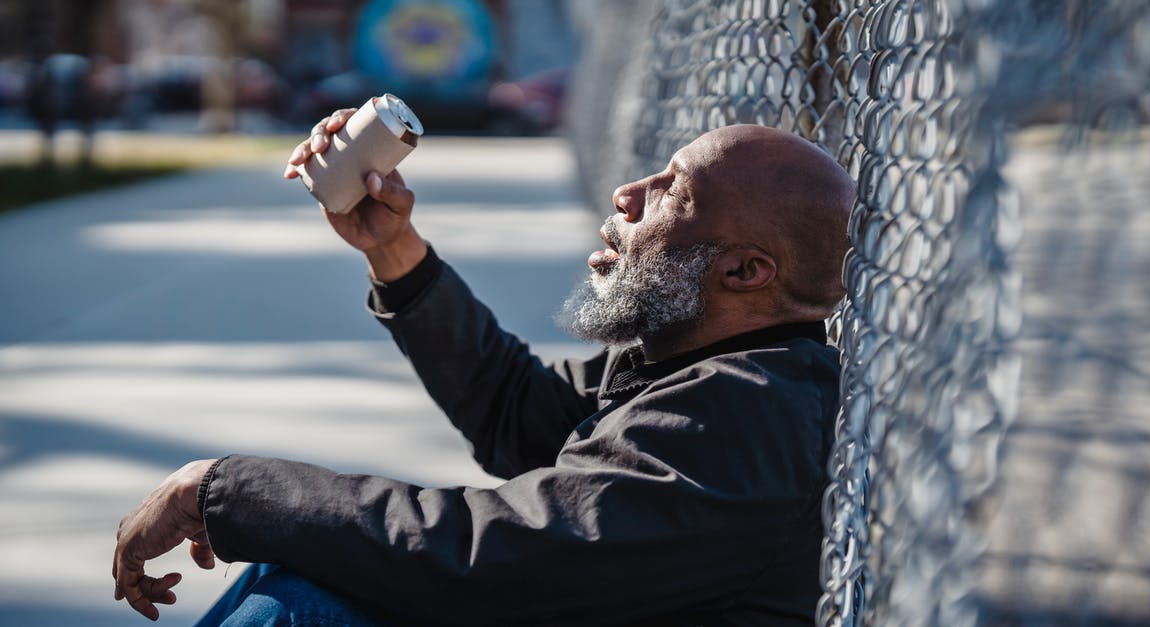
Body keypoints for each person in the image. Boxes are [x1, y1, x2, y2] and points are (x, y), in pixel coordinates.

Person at [111, 113, 855, 626]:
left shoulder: (743, 415)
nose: (630, 195)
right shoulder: (701, 363)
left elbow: (490, 559)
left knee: (302, 602)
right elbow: (519, 415)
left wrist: (227, 489)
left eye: (675, 193)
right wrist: (394, 253)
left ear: (747, 271)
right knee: (296, 577)